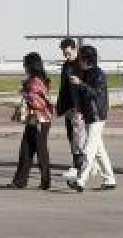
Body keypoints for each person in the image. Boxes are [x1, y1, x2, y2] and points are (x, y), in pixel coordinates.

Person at [68, 44, 116, 192]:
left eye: (80, 58)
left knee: (89, 149)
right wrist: (78, 109)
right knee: (99, 149)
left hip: (97, 115)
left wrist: (80, 83)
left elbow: (95, 93)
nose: (78, 61)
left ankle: (81, 180)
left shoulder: (98, 73)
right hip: (89, 115)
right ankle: (109, 179)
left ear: (87, 59)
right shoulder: (85, 72)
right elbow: (83, 96)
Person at [9, 52, 54, 190]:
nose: (24, 66)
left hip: (39, 120)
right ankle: (20, 181)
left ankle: (44, 181)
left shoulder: (34, 81)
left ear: (31, 65)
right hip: (34, 119)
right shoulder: (38, 79)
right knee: (26, 150)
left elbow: (38, 103)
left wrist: (26, 94)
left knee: (39, 151)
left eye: (25, 64)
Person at [56, 37, 86, 177]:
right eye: (64, 53)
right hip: (68, 106)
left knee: (78, 138)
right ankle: (84, 164)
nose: (66, 56)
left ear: (74, 49)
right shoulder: (65, 65)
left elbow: (86, 86)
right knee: (71, 136)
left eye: (68, 53)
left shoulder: (82, 64)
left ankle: (77, 167)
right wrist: (59, 105)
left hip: (79, 107)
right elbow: (63, 87)